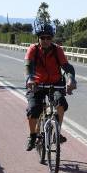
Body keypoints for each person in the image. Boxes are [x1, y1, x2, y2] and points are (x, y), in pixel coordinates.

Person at [24, 23, 76, 151]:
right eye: (42, 38)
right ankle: (32, 136)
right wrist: (30, 79)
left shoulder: (57, 50)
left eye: (48, 38)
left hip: (55, 84)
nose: (46, 40)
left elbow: (67, 67)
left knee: (61, 104)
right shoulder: (33, 49)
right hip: (36, 84)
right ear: (38, 38)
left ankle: (56, 133)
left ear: (52, 38)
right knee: (33, 110)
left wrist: (71, 80)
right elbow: (28, 66)